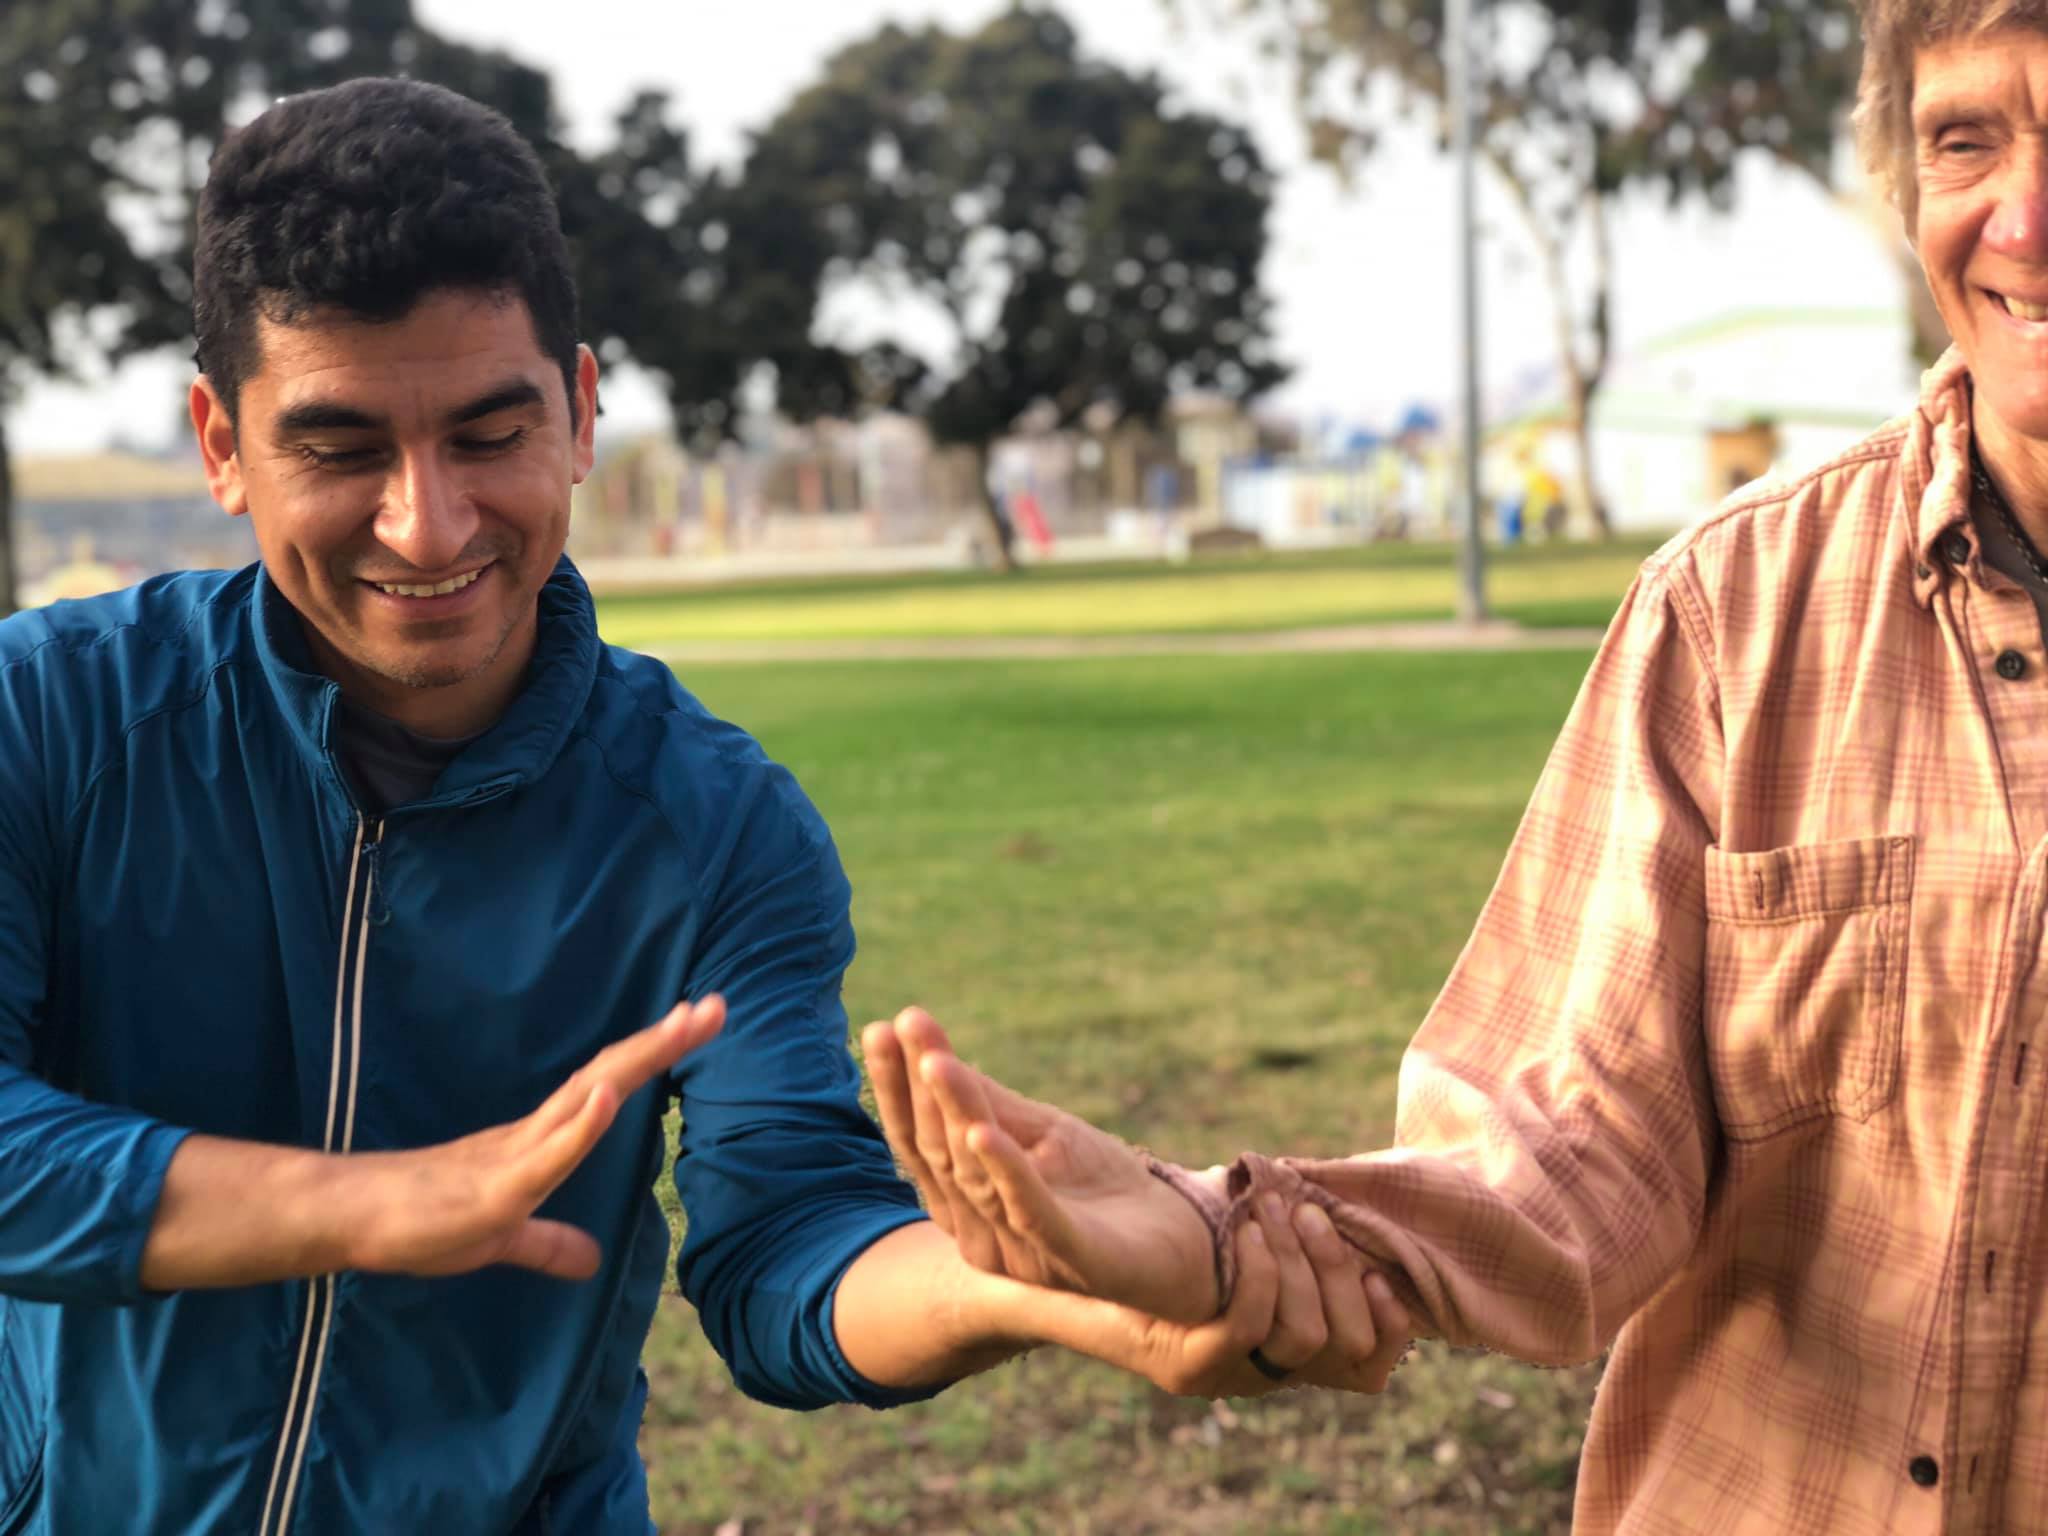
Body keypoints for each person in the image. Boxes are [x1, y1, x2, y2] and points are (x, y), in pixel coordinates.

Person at [0, 79, 1409, 1535]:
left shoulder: (713, 821)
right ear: (221, 444)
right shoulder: (45, 718)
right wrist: (372, 1204)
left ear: (585, 410)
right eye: (341, 449)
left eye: (490, 433)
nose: (428, 522)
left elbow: (786, 1250)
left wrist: (1027, 1284)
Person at [859, 4, 2048, 1531]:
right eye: (1968, 138)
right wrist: (1230, 1237)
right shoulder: (1733, 610)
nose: (2022, 217)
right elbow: (1566, 1152)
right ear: (1905, 183)